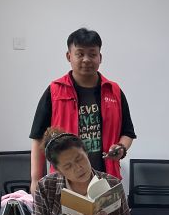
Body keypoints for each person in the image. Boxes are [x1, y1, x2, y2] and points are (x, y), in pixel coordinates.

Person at [29, 28, 137, 191]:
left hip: (105, 179)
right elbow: (38, 138)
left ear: (100, 57)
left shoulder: (113, 91)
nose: (86, 59)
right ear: (69, 56)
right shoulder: (54, 91)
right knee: (68, 210)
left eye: (92, 54)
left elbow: (128, 132)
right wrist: (36, 179)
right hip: (64, 181)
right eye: (80, 54)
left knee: (106, 210)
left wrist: (121, 147)